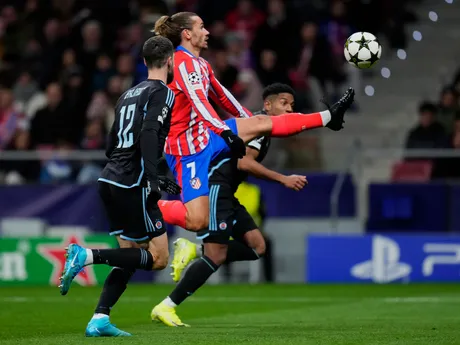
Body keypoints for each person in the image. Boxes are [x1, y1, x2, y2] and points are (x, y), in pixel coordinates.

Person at [153, 12, 355, 235]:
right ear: (187, 34)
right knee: (198, 221)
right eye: (201, 27)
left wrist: (248, 118)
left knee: (262, 122)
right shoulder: (180, 62)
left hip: (207, 135)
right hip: (187, 151)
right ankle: (149, 207)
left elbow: (222, 96)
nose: (207, 31)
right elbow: (199, 103)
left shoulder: (200, 64)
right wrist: (226, 132)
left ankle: (329, 117)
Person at [151, 83, 308, 327]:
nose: (289, 109)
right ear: (268, 105)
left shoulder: (260, 128)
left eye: (292, 105)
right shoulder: (258, 126)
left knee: (258, 247)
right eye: (283, 103)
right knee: (216, 256)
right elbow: (243, 162)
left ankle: (194, 250)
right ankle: (167, 306)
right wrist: (282, 179)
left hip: (227, 193)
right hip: (215, 187)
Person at [58, 36, 181, 337]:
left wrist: (150, 169)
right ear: (169, 61)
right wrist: (153, 177)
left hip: (109, 177)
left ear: (143, 61)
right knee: (158, 258)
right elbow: (151, 133)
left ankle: (99, 318)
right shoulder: (163, 92)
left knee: (128, 256)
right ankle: (87, 256)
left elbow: (112, 144)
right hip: (133, 181)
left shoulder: (127, 94)